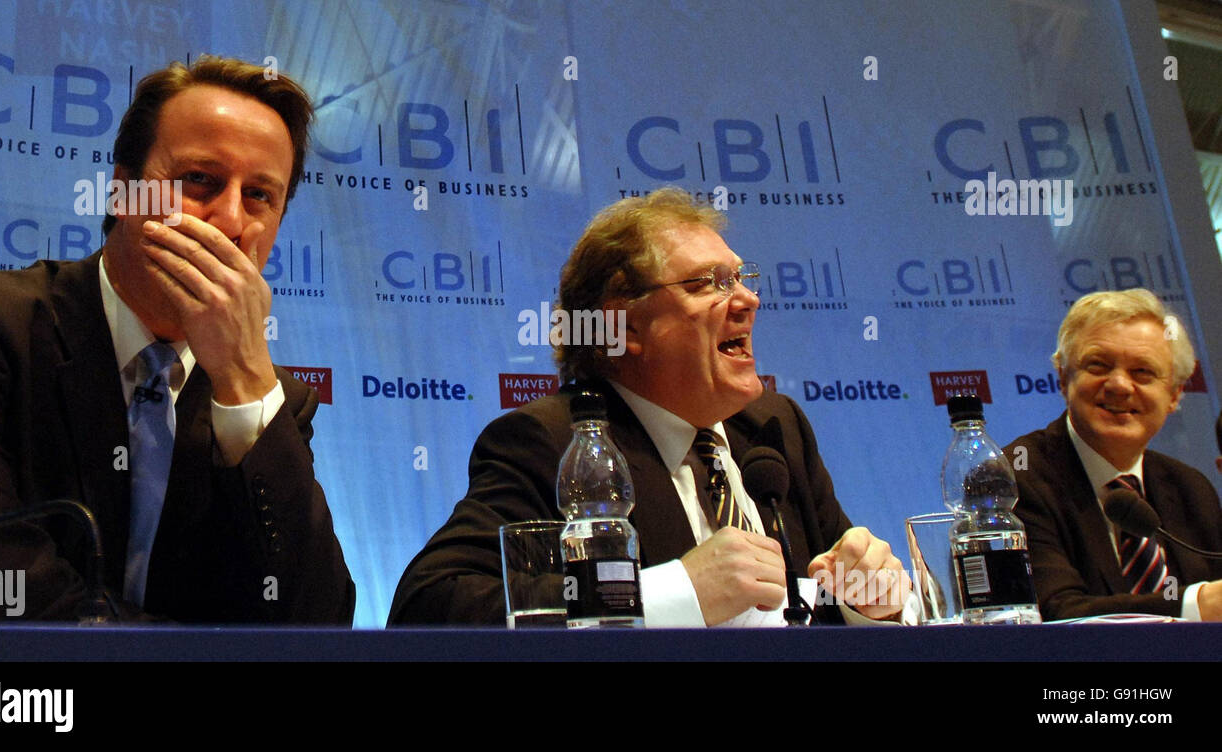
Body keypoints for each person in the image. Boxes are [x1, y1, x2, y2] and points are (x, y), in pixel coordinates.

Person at [0, 56, 354, 623]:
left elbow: (315, 624)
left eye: (259, 196)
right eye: (199, 180)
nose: (228, 221)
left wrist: (248, 379)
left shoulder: (271, 402)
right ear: (123, 193)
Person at [388, 188, 909, 627]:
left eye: (742, 277)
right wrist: (676, 592)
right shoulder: (552, 442)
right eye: (708, 283)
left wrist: (872, 602)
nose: (747, 299)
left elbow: (824, 601)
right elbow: (432, 604)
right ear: (625, 326)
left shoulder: (775, 430)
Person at [1006, 288, 1222, 621]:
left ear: (1175, 394)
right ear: (1063, 377)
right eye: (1098, 365)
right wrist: (1198, 605)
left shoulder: (1191, 488)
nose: (1120, 385)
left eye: (1143, 372)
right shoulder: (1013, 478)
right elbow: (1054, 614)